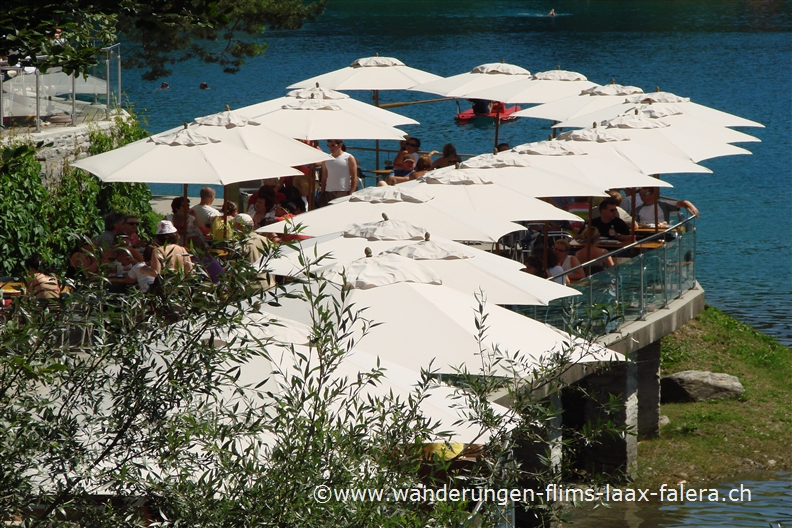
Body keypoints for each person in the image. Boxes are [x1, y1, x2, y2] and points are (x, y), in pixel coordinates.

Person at [319, 139, 358, 207]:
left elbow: (354, 177)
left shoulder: (349, 158)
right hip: (329, 192)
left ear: (340, 145)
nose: (331, 148)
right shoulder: (326, 159)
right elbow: (324, 178)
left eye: (333, 145)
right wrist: (323, 192)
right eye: (329, 145)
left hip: (343, 191)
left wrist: (351, 193)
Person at [633, 187, 699, 225]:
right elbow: (634, 224)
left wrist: (690, 205)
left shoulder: (663, 205)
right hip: (644, 235)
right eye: (640, 194)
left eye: (644, 194)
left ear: (652, 194)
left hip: (662, 234)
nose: (641, 197)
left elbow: (681, 203)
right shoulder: (637, 210)